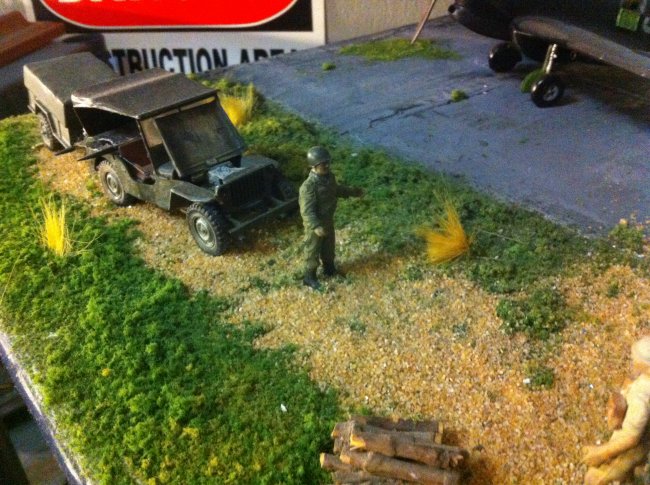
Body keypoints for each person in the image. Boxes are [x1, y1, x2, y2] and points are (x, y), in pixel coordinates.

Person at [583, 336, 650, 484]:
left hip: (626, 450)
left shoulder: (641, 401)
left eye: (636, 359)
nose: (633, 360)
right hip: (640, 443)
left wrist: (601, 453)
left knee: (593, 477)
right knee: (627, 476)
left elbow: (631, 438)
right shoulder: (644, 380)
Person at [299, 146, 363, 289]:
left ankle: (329, 269)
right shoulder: (308, 187)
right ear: (314, 166)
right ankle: (309, 277)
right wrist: (315, 226)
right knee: (312, 250)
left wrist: (352, 192)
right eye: (323, 164)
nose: (327, 166)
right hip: (314, 225)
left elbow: (336, 190)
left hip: (328, 220)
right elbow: (307, 211)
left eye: (328, 162)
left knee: (328, 248)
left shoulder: (329, 178)